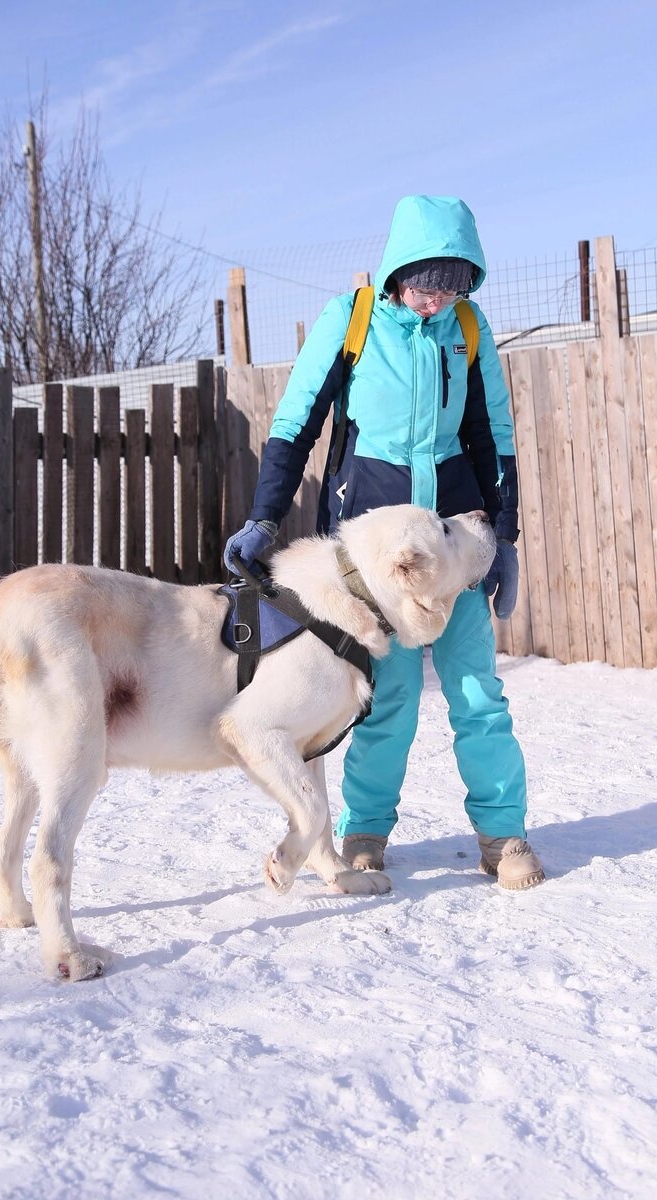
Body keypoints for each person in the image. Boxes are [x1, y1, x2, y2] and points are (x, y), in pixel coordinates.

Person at [224, 194, 544, 890]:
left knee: (477, 693)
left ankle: (503, 834)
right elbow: (294, 424)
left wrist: (506, 538)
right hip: (377, 561)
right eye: (429, 283)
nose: (439, 300)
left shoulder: (467, 327)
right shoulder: (353, 320)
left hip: (454, 547)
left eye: (455, 284)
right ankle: (365, 828)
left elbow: (494, 435)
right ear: (399, 270)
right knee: (386, 700)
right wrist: (264, 518)